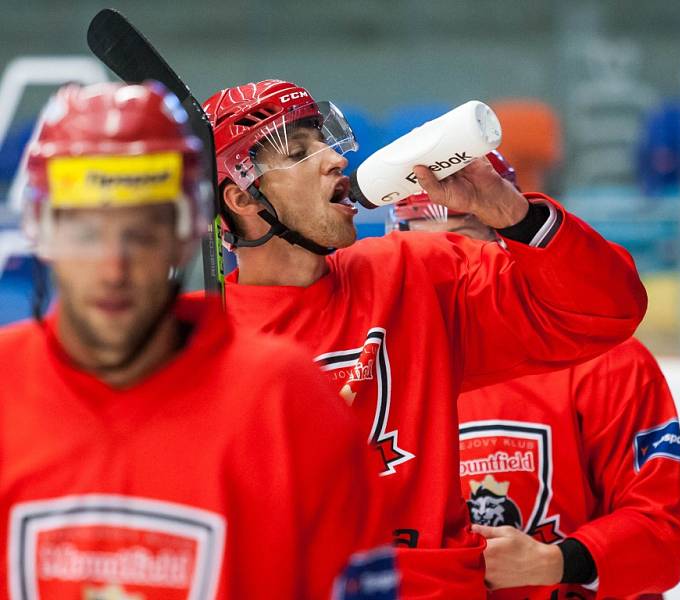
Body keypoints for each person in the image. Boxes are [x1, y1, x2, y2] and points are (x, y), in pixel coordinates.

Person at [203, 79, 649, 598]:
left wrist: (508, 211)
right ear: (241, 197)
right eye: (300, 154)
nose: (334, 161)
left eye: (324, 143)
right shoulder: (203, 342)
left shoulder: (414, 273)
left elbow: (606, 311)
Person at [0, 81, 375, 600]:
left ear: (187, 229)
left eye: (143, 232)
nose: (113, 268)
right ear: (40, 231)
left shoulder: (289, 404)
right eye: (85, 232)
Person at [389, 152, 680, 599]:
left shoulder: (608, 361)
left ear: (503, 247)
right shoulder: (380, 373)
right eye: (426, 259)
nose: (446, 279)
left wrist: (555, 562)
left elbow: (662, 531)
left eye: (462, 251)